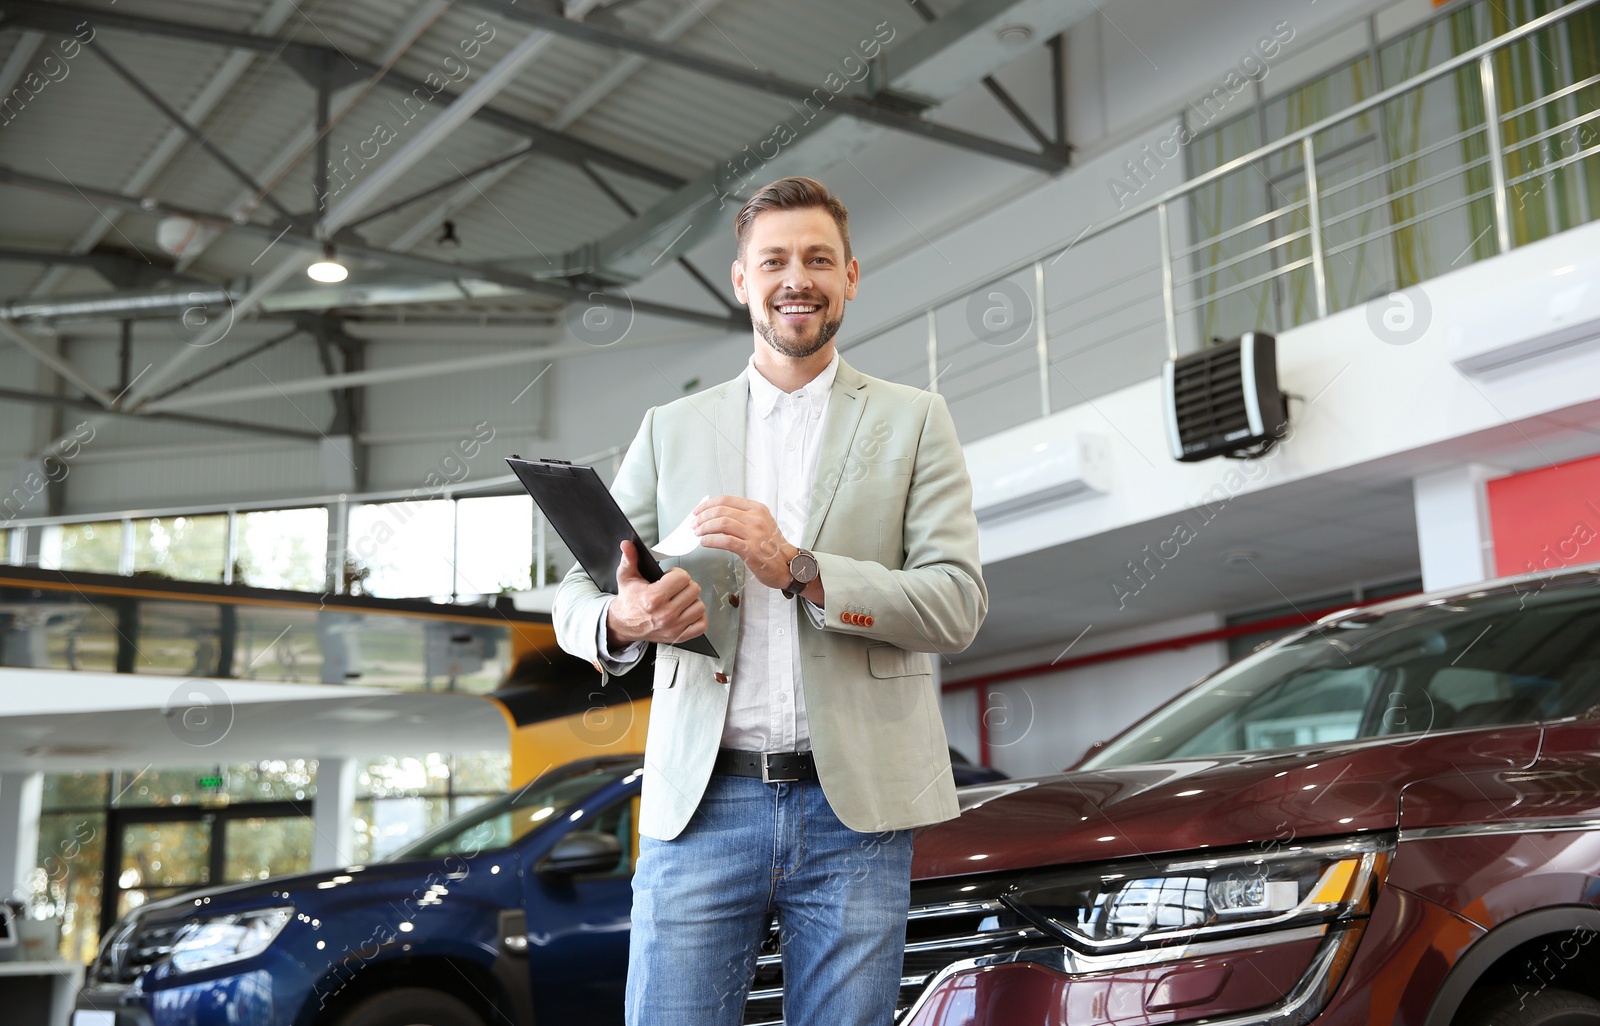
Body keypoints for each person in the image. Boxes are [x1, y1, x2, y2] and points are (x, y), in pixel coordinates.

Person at [553, 176, 987, 1026]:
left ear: (851, 277)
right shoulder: (670, 428)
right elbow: (576, 588)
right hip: (703, 804)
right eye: (776, 260)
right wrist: (622, 620)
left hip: (854, 811)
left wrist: (801, 567)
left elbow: (957, 604)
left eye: (819, 259)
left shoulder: (914, 420)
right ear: (741, 280)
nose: (800, 278)